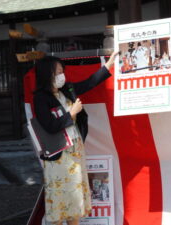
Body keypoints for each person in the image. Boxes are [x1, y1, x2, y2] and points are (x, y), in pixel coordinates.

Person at [33, 51, 118, 225]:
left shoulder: (67, 90)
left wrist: (108, 66)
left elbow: (89, 83)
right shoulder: (40, 98)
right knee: (59, 199)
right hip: (59, 155)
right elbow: (49, 125)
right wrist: (71, 113)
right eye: (57, 72)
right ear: (46, 74)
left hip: (76, 149)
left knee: (75, 196)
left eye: (61, 71)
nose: (61, 75)